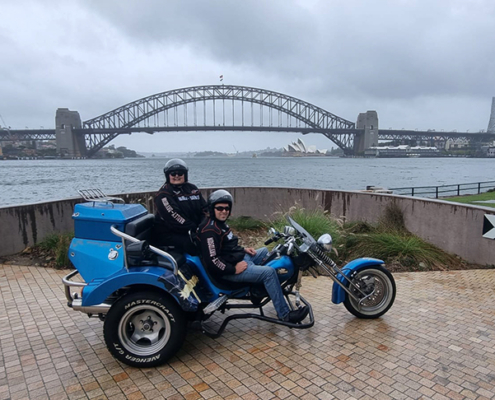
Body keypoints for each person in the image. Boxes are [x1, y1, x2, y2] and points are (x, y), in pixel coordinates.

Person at [197, 189, 309, 323]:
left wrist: (244, 250)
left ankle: (259, 290)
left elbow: (226, 247)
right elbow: (213, 261)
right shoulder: (209, 231)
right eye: (220, 208)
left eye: (227, 208)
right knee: (269, 273)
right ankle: (285, 315)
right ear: (212, 208)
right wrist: (233, 270)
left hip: (238, 259)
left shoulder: (219, 224)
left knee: (266, 251)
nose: (224, 211)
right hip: (227, 271)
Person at [154, 158, 207, 252]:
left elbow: (204, 209)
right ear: (168, 176)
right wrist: (195, 229)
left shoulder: (193, 189)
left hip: (194, 229)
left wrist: (204, 225)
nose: (177, 176)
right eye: (173, 173)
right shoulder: (163, 194)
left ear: (185, 174)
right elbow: (175, 217)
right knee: (201, 244)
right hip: (171, 234)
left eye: (180, 173)